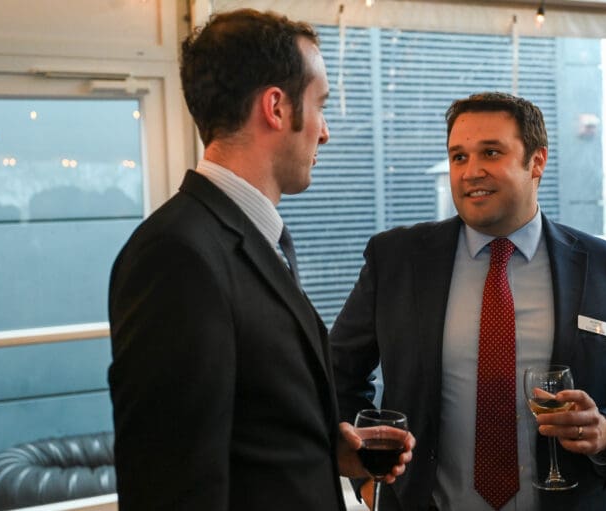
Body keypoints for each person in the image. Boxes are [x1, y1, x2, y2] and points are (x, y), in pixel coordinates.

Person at [107, 9, 413, 510]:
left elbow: (247, 425)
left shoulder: (252, 238)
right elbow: (170, 485)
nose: (325, 132)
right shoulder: (176, 256)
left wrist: (322, 451)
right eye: (320, 105)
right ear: (276, 107)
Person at [330, 91, 606, 510]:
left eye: (491, 152)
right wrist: (369, 477)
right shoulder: (397, 260)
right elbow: (335, 377)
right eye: (458, 157)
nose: (471, 171)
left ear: (537, 162)